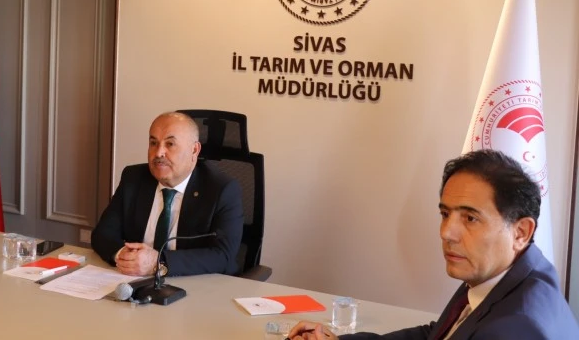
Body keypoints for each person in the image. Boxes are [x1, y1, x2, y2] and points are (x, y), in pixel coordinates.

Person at [289, 149, 579, 339]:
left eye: (470, 218)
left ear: (521, 232)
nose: (446, 232)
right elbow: (437, 334)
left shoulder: (516, 328)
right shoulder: (510, 273)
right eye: (445, 214)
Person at [91, 111, 244, 278]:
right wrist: (124, 256)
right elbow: (102, 234)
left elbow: (222, 255)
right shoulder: (133, 178)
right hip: (134, 281)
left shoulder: (222, 189)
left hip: (194, 283)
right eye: (153, 143)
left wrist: (158, 263)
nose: (158, 153)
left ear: (194, 150)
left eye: (170, 144)